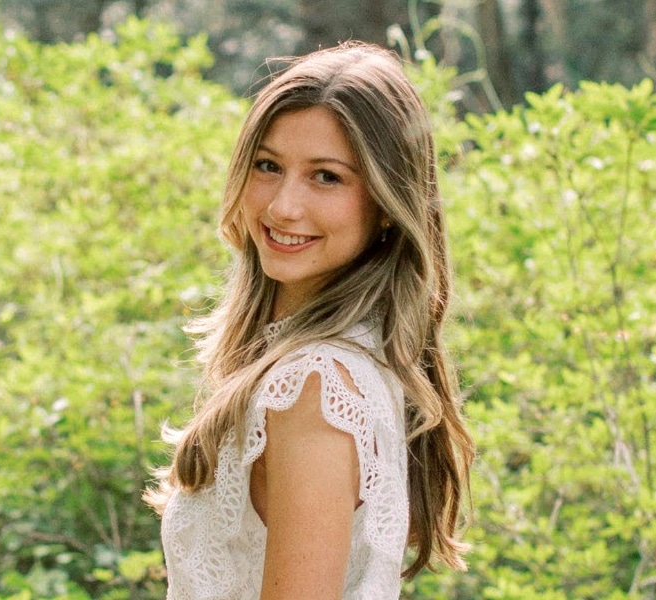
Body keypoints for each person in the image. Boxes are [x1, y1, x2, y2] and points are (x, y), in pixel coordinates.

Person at [146, 42, 474, 600]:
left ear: (387, 203)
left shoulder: (315, 388)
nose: (281, 207)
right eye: (268, 166)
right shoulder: (343, 359)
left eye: (325, 177)